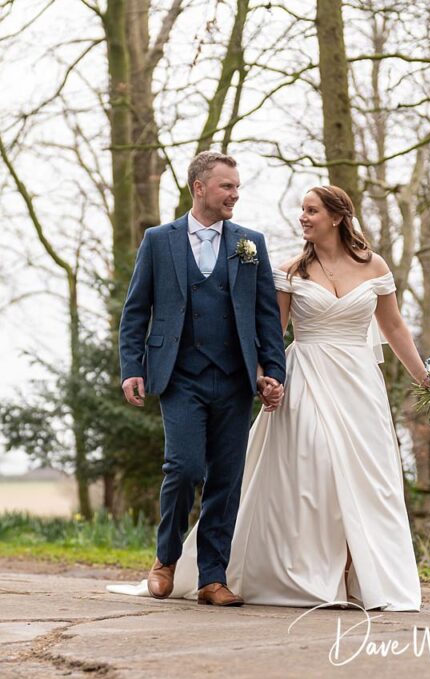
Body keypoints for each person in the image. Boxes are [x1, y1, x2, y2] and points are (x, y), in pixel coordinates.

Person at [111, 185, 427, 612]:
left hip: (359, 385)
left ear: (336, 216)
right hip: (307, 378)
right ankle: (312, 572)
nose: (303, 217)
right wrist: (265, 377)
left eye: (311, 210)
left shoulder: (375, 267)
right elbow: (268, 333)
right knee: (315, 466)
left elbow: (394, 329)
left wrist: (426, 379)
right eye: (302, 210)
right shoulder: (291, 271)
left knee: (367, 477)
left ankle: (360, 575)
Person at [116, 150, 287, 607]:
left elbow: (267, 316)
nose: (235, 194)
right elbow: (136, 310)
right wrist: (132, 367)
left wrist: (273, 371)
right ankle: (165, 558)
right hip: (180, 376)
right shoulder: (159, 240)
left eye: (237, 186)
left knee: (226, 479)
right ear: (199, 188)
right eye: (226, 186)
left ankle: (213, 578)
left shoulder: (250, 243)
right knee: (185, 468)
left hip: (234, 380)